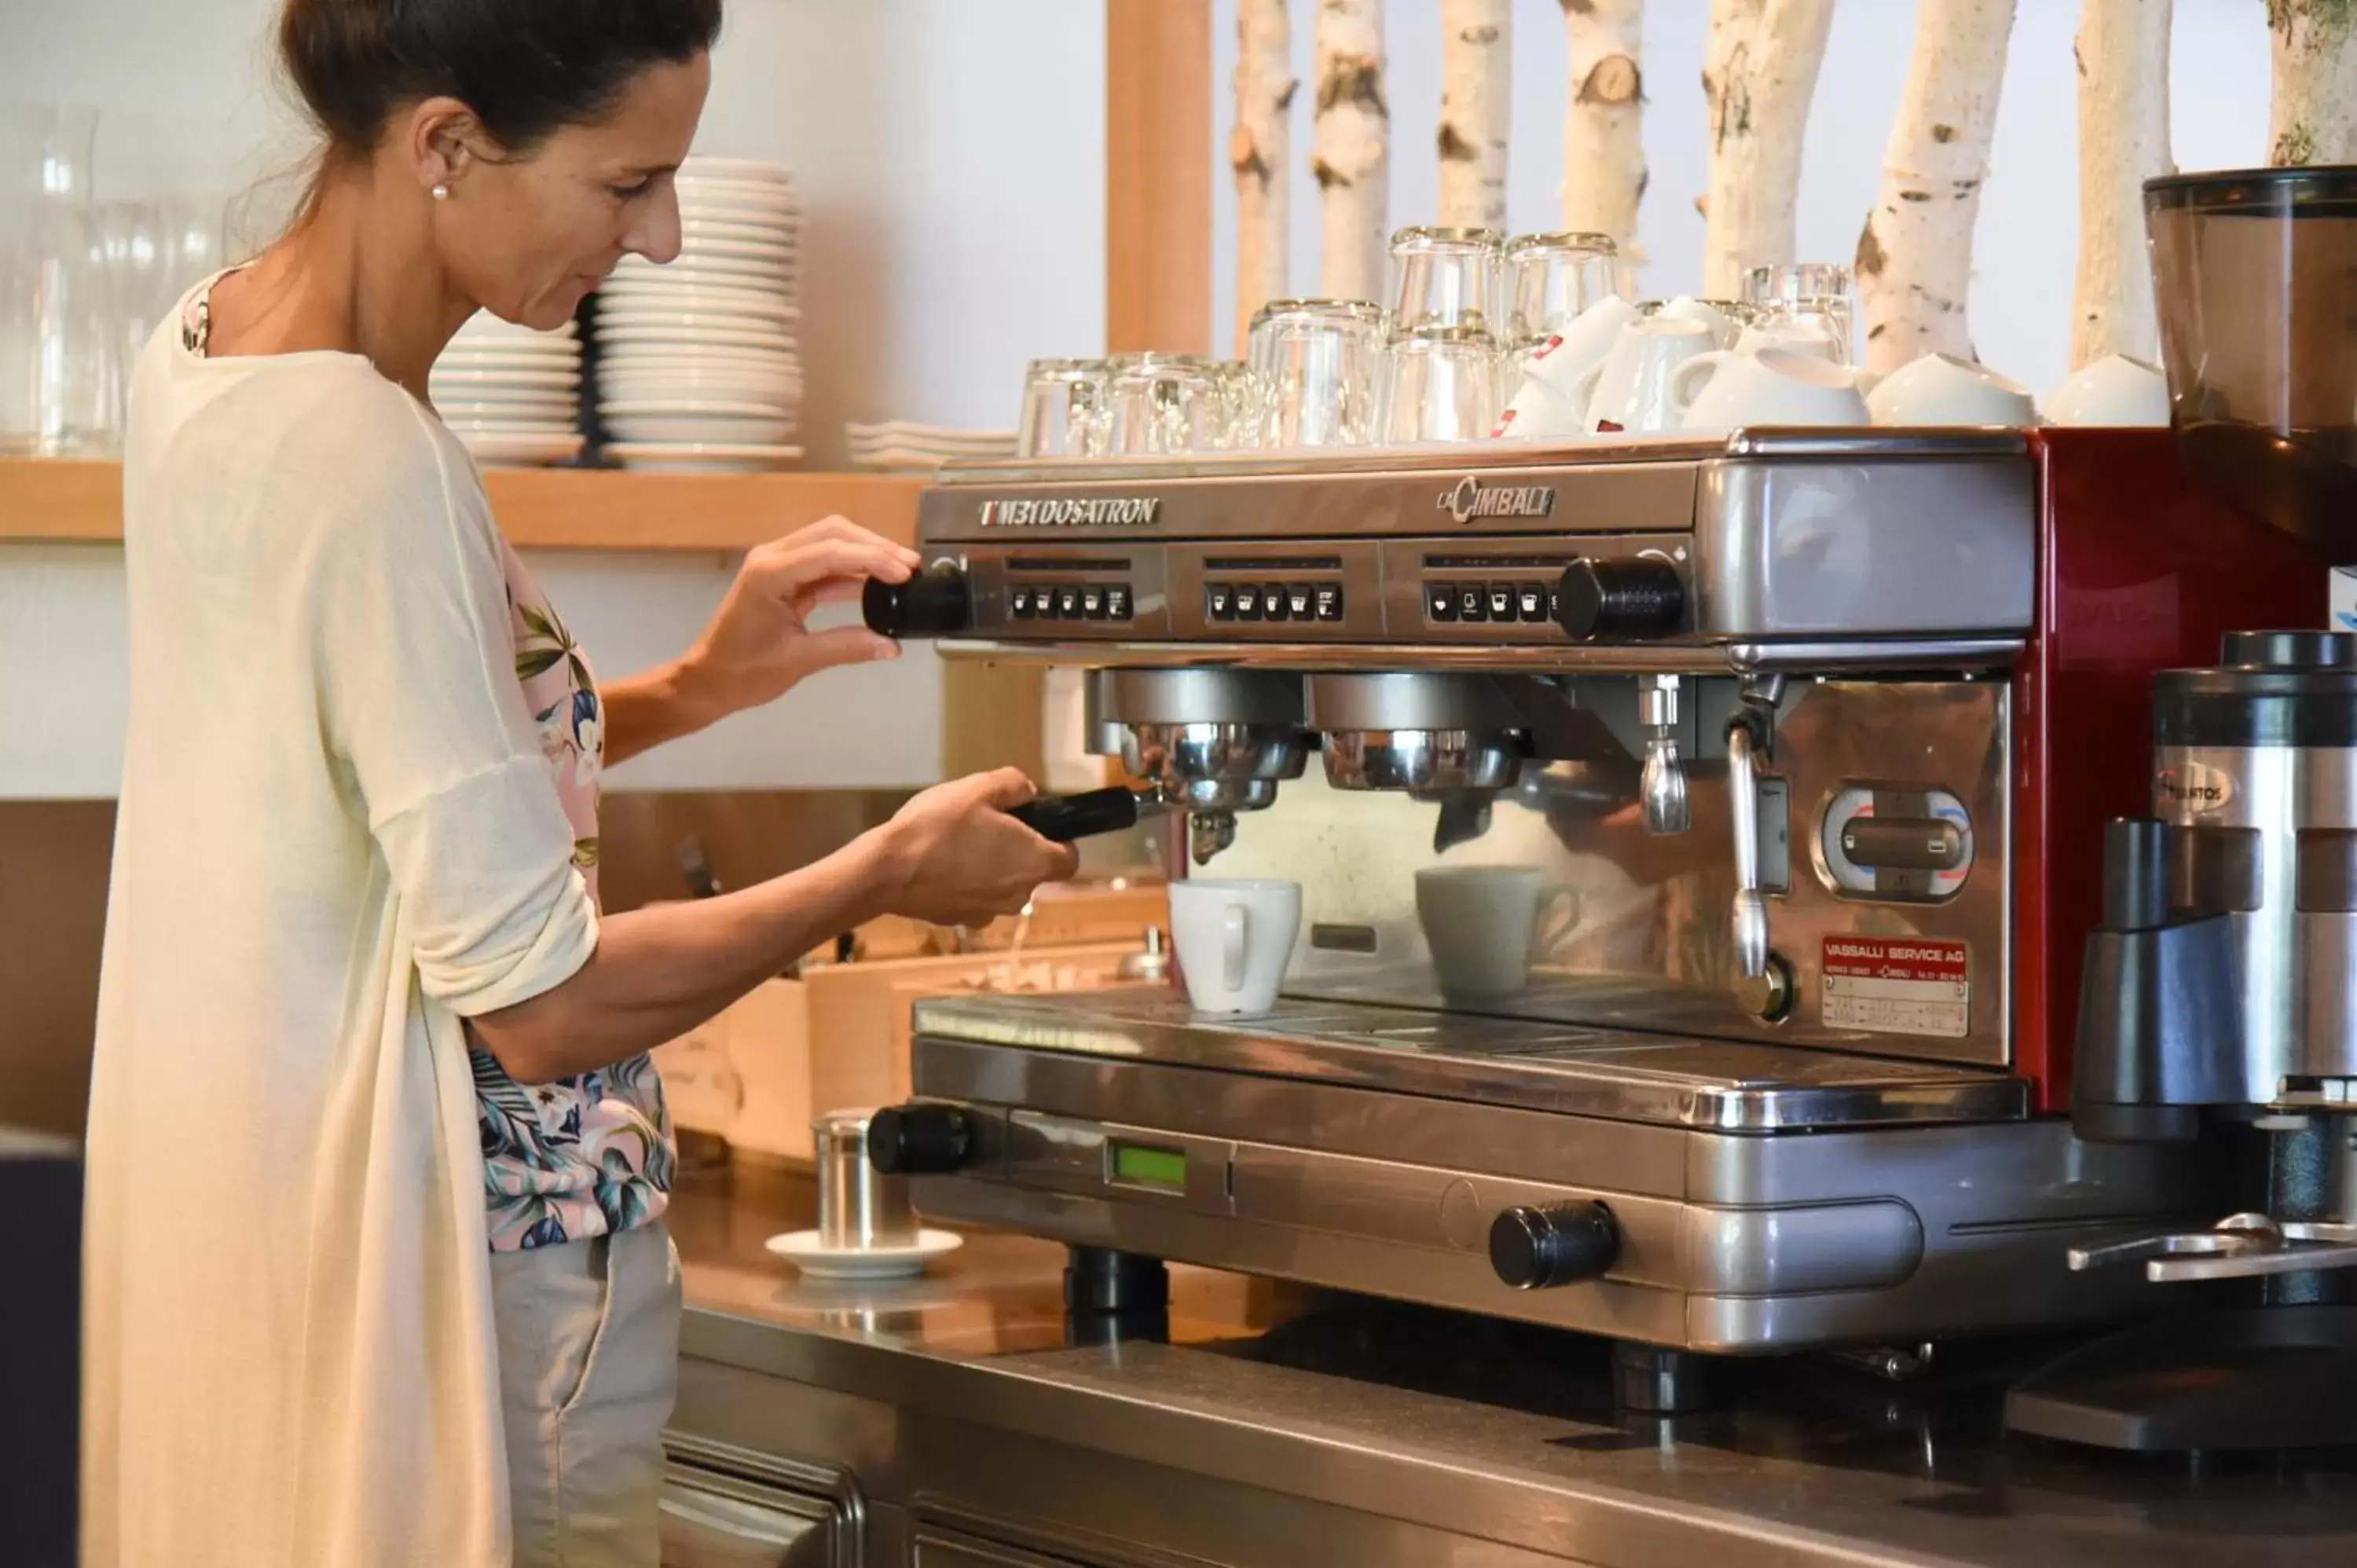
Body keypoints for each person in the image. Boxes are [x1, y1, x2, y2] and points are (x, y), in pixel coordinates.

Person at [78, 2, 1077, 1563]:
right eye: (627, 184)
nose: (666, 238)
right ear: (448, 145)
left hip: (266, 1232)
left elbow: (387, 771)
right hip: (482, 1298)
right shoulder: (367, 451)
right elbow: (538, 1003)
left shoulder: (203, 350)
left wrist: (698, 684)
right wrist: (884, 868)